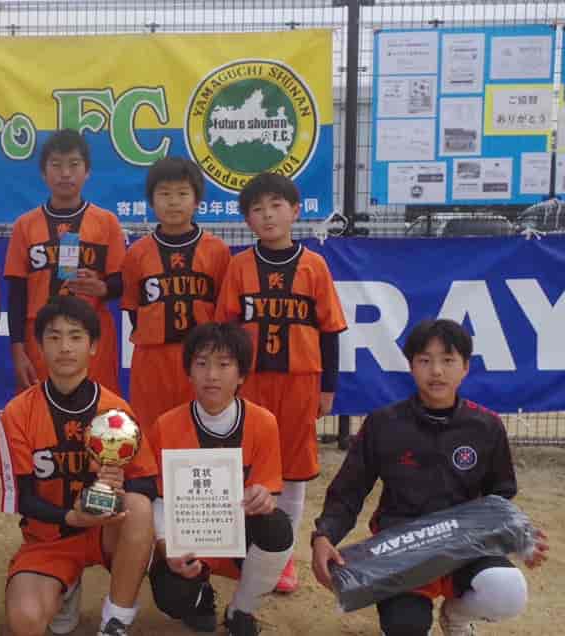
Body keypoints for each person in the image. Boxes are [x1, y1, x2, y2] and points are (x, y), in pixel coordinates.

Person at [311, 319, 550, 636]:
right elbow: (348, 492)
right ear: (411, 366)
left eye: (448, 360)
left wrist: (521, 538)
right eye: (425, 360)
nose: (436, 371)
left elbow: (500, 497)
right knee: (406, 628)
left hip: (467, 546)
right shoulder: (383, 424)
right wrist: (324, 536)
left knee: (507, 591)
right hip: (403, 549)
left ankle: (455, 616)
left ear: (465, 367)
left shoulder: (487, 426)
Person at [214, 172, 346, 592]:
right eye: (257, 209)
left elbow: (330, 331)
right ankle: (242, 546)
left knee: (292, 469)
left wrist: (328, 387)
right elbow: (226, 330)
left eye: (276, 205)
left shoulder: (314, 265)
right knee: (245, 463)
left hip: (299, 382)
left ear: (295, 210)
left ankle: (282, 556)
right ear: (247, 219)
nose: (268, 215)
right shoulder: (239, 266)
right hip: (251, 383)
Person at [2, 296, 157, 636]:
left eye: (75, 336)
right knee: (25, 621)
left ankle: (116, 620)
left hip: (106, 532)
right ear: (39, 346)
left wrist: (119, 481)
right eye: (54, 337)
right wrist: (71, 517)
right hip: (50, 537)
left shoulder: (115, 410)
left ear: (94, 346)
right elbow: (22, 498)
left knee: (138, 506)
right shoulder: (18, 412)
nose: (65, 347)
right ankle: (65, 584)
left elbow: (147, 481)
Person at [146, 323, 293, 635]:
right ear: (189, 372)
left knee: (277, 526)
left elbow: (269, 489)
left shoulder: (263, 423)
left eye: (224, 364)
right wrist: (166, 546)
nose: (211, 375)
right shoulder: (165, 426)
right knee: (172, 596)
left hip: (239, 536)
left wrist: (264, 496)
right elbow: (158, 499)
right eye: (201, 364)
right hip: (188, 538)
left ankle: (241, 610)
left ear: (241, 375)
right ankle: (200, 597)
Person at [5, 129, 126, 394]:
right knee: (40, 409)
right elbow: (16, 294)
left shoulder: (107, 222)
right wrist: (17, 350)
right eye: (56, 165)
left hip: (90, 335)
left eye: (74, 164)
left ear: (87, 171)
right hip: (41, 336)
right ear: (43, 172)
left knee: (97, 410)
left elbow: (121, 282)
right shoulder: (25, 226)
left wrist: (103, 288)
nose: (65, 173)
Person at [121, 157, 230, 431]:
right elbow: (133, 309)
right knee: (152, 429)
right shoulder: (137, 253)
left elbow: (224, 311)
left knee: (202, 429)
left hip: (202, 358)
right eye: (164, 194)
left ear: (197, 201)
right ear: (151, 200)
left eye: (182, 194)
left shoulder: (217, 250)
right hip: (152, 359)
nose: (173, 202)